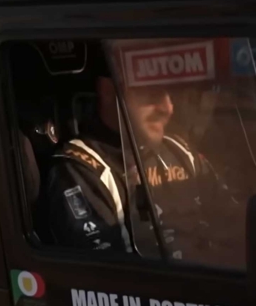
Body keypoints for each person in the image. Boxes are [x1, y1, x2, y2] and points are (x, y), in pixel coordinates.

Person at [44, 71, 238, 262]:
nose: (168, 108)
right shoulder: (80, 169)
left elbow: (236, 224)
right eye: (152, 93)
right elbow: (106, 275)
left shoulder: (180, 152)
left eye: (170, 94)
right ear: (108, 90)